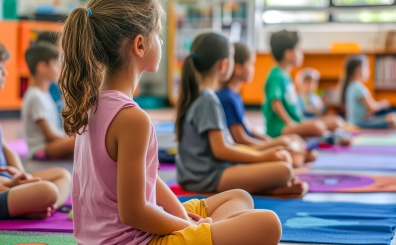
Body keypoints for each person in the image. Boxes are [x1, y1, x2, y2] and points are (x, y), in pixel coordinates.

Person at [60, 2, 282, 245]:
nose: (161, 41)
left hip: (108, 236)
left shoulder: (90, 104)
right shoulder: (131, 118)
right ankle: (215, 233)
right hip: (134, 240)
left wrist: (179, 215)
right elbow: (134, 213)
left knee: (239, 197)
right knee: (269, 223)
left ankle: (215, 233)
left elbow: (148, 178)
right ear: (140, 45)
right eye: (157, 34)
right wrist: (188, 227)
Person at [176, 33, 309, 196]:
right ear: (223, 65)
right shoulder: (208, 99)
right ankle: (271, 188)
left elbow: (229, 144)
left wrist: (263, 154)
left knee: (282, 162)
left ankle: (271, 188)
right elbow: (221, 150)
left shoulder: (203, 95)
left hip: (203, 174)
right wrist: (261, 157)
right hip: (207, 177)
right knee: (285, 170)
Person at [0, 43, 71, 221]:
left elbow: (5, 148)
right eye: (1, 69)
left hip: (9, 180)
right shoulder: (34, 95)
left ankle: (41, 207)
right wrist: (9, 184)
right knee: (48, 190)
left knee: (64, 175)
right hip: (4, 185)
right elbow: (48, 134)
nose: (6, 74)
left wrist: (20, 173)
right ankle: (34, 204)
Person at [216, 42, 317, 166]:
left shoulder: (235, 95)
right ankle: (297, 155)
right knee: (286, 144)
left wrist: (271, 142)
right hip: (245, 149)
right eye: (251, 64)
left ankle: (298, 155)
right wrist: (268, 147)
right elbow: (240, 139)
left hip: (252, 144)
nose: (254, 69)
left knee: (290, 140)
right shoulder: (227, 97)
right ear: (237, 68)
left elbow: (250, 130)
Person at [263, 30, 348, 142]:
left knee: (336, 121)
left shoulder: (286, 76)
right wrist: (290, 123)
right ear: (288, 54)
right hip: (279, 128)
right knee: (316, 127)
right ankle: (328, 138)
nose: (301, 53)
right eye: (298, 49)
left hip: (296, 122)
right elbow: (275, 102)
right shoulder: (276, 75)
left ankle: (327, 136)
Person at [21, 42, 74, 159]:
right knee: (77, 142)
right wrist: (69, 140)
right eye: (55, 64)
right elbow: (49, 134)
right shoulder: (35, 96)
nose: (59, 68)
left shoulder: (45, 93)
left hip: (50, 145)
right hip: (40, 149)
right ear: (42, 67)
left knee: (78, 141)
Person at [341, 55, 396, 130]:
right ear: (358, 70)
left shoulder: (351, 86)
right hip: (359, 124)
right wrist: (383, 103)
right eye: (367, 67)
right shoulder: (358, 88)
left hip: (354, 122)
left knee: (394, 116)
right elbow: (372, 108)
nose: (369, 71)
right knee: (393, 118)